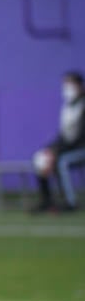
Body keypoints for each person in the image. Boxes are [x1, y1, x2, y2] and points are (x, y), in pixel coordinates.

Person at [33, 70, 85, 214]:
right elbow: (64, 135)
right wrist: (50, 149)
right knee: (41, 158)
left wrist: (56, 152)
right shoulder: (67, 107)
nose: (66, 88)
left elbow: (79, 137)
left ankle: (71, 202)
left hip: (81, 148)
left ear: (80, 85)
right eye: (65, 84)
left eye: (70, 84)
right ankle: (46, 201)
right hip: (69, 147)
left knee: (63, 162)